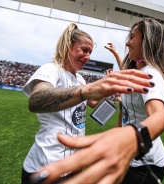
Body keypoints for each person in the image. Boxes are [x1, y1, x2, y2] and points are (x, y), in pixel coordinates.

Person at [21, 22, 155, 184]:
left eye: (90, 52)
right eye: (84, 50)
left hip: (72, 165)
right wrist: (85, 90)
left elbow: (91, 102)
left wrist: (108, 86)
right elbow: (36, 99)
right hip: (45, 164)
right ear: (68, 46)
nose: (88, 57)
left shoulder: (79, 78)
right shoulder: (51, 69)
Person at [104, 18, 164, 183]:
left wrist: (128, 139)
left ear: (146, 41)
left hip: (145, 165)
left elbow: (158, 117)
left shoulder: (150, 74)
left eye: (132, 37)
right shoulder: (137, 72)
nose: (127, 43)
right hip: (131, 157)